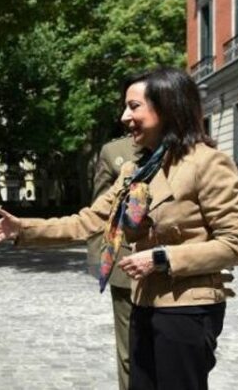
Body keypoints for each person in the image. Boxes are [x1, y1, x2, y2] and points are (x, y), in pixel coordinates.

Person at [0, 67, 238, 390]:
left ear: (166, 107)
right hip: (145, 303)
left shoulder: (206, 163)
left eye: (134, 106)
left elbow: (236, 243)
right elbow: (89, 221)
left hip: (187, 308)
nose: (124, 116)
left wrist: (162, 258)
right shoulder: (136, 170)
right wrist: (23, 228)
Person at [87, 135, 140, 390]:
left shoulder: (184, 145)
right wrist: (100, 259)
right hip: (127, 263)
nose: (128, 116)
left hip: (175, 264)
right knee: (129, 349)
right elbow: (99, 211)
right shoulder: (115, 151)